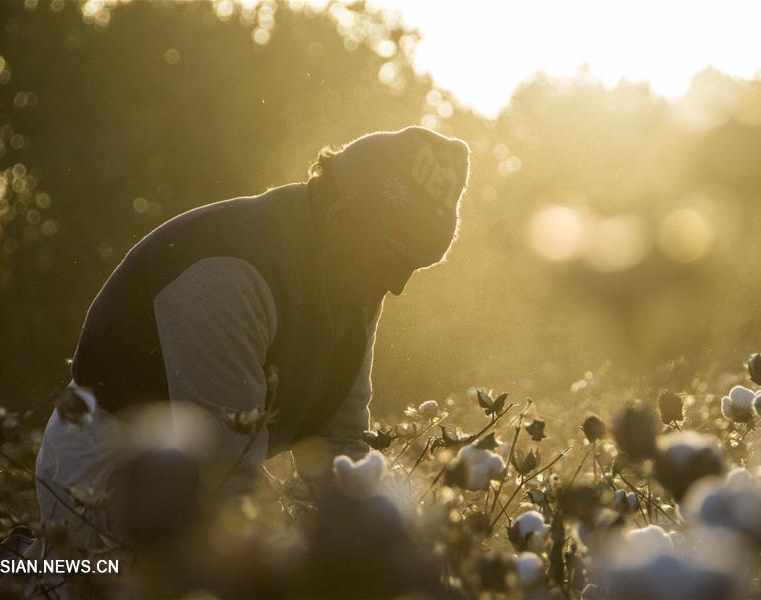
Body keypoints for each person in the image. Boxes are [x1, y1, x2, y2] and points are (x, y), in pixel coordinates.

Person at [35, 126, 470, 532]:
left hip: (210, 473)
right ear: (340, 218)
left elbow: (340, 441)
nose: (398, 287)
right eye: (394, 262)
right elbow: (223, 468)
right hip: (107, 470)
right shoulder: (229, 270)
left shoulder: (353, 280)